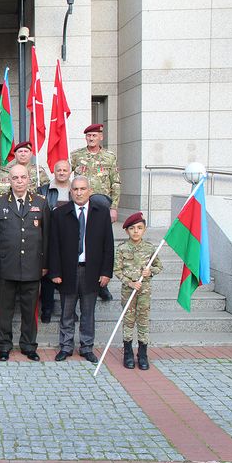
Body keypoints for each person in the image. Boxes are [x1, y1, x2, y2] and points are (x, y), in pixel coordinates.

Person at [49, 176, 114, 363]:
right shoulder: (60, 214)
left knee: (88, 313)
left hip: (91, 271)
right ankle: (66, 346)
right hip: (68, 271)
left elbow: (108, 245)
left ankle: (86, 347)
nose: (79, 193)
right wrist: (55, 272)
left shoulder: (101, 213)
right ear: (71, 192)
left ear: (90, 191)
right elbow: (54, 245)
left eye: (83, 189)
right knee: (67, 313)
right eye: (75, 189)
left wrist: (106, 272)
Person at [0, 164, 50, 362]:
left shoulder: (41, 203)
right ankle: (4, 345)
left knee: (30, 310)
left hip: (32, 267)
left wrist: (44, 264)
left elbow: (46, 237)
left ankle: (28, 345)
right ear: (9, 180)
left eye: (23, 177)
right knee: (4, 310)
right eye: (15, 178)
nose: (19, 181)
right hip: (7, 267)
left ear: (29, 179)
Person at [71, 123, 120, 302]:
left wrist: (114, 207)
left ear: (101, 137)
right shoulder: (76, 156)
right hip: (81, 205)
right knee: (82, 243)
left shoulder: (109, 157)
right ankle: (78, 288)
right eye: (88, 136)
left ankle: (102, 285)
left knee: (101, 246)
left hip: (101, 205)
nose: (91, 139)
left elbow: (115, 182)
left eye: (94, 135)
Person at [114, 212, 163, 370]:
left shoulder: (150, 248)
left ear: (144, 230)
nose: (136, 231)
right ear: (127, 230)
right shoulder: (122, 248)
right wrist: (129, 282)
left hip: (144, 291)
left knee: (143, 322)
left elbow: (158, 266)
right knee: (128, 321)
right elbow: (117, 270)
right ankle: (128, 353)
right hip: (128, 291)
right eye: (132, 228)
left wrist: (151, 272)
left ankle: (142, 354)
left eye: (139, 228)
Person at [37, 159, 72, 322]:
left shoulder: (76, 190)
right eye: (59, 170)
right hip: (49, 237)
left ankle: (70, 310)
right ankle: (47, 308)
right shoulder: (44, 190)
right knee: (48, 276)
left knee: (69, 276)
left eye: (65, 170)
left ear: (70, 172)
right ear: (54, 172)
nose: (62, 173)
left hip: (70, 239)